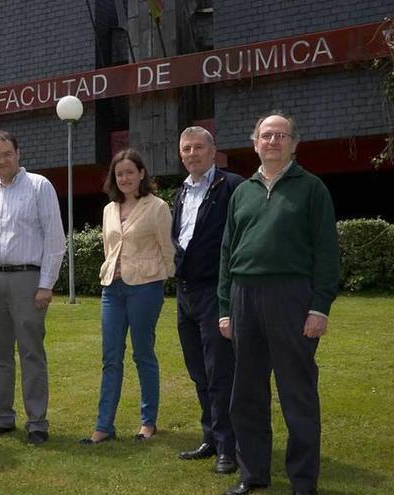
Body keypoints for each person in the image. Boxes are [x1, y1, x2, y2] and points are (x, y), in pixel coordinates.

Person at [218, 112, 339, 495]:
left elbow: (326, 252)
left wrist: (319, 307)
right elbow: (227, 252)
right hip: (244, 297)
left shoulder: (312, 188)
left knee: (297, 391)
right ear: (255, 142)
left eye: (281, 135)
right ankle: (252, 473)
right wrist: (225, 308)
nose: (273, 141)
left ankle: (303, 482)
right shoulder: (242, 191)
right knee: (247, 392)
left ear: (293, 143)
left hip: (292, 297)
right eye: (266, 135)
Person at [0, 130, 66, 445]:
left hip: (27, 280)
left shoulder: (39, 187)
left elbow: (54, 238)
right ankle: (2, 419)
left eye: (6, 154)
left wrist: (46, 284)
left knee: (31, 353)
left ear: (18, 153)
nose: (1, 161)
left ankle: (37, 423)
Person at [81, 148, 175, 445]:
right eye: (119, 174)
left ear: (141, 174)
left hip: (145, 289)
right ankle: (104, 425)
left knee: (143, 355)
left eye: (130, 172)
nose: (125, 178)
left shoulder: (157, 206)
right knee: (111, 358)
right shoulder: (109, 209)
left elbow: (167, 248)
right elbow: (111, 249)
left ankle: (148, 422)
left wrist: (160, 278)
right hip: (113, 289)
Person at [171, 127, 244, 473]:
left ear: (213, 151)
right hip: (184, 294)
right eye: (187, 148)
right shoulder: (181, 192)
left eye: (199, 147)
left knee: (220, 373)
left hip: (215, 291)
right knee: (198, 371)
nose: (192, 153)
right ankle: (211, 438)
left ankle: (229, 448)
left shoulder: (231, 187)